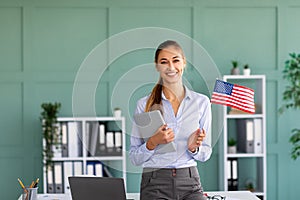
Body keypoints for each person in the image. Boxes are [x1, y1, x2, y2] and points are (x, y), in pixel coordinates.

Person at [129, 40, 212, 200]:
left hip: (190, 182)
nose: (171, 67)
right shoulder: (144, 105)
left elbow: (205, 154)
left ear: (184, 63)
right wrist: (152, 142)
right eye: (164, 62)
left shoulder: (201, 103)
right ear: (157, 66)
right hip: (154, 183)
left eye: (175, 60)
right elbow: (134, 158)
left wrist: (194, 148)